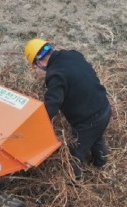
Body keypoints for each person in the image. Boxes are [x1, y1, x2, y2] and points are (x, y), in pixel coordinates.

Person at [24, 38, 111, 179]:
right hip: (104, 107)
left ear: (38, 63)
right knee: (96, 137)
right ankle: (100, 163)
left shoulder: (56, 75)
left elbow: (52, 105)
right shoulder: (73, 54)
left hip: (89, 121)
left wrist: (35, 126)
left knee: (75, 154)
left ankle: (74, 182)